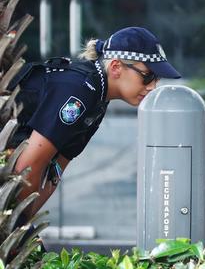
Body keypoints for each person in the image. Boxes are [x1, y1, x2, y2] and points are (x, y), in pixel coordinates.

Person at [10, 26, 181, 222]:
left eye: (156, 79)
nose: (152, 86)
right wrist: (19, 226)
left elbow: (54, 173)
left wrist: (25, 222)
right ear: (116, 67)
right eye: (147, 76)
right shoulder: (80, 90)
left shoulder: (98, 99)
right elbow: (27, 168)